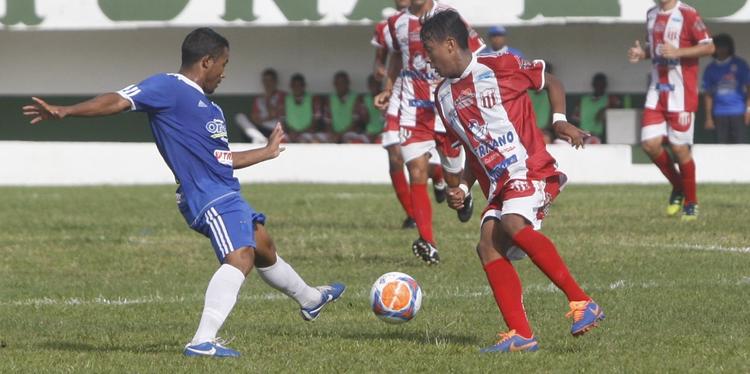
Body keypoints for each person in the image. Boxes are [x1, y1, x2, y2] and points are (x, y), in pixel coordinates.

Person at [21, 28, 345, 358]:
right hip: (207, 195)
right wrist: (66, 111)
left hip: (225, 190)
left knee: (262, 244)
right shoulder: (168, 87)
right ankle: (202, 340)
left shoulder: (211, 110)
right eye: (224, 63)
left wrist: (265, 152)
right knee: (241, 256)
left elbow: (222, 159)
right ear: (207, 61)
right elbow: (118, 100)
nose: (225, 72)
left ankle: (310, 300)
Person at [421, 9, 604, 354]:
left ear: (449, 45)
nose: (428, 61)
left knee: (512, 222)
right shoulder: (442, 97)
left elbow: (550, 81)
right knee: (487, 245)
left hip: (529, 168)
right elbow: (476, 150)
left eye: (430, 52)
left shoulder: (498, 66)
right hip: (499, 183)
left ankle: (583, 302)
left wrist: (561, 121)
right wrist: (461, 185)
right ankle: (521, 334)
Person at [375, 0, 483, 264]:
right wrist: (388, 88)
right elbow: (397, 56)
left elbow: (474, 50)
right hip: (413, 106)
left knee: (453, 177)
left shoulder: (448, 15)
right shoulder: (395, 23)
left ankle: (460, 192)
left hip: (445, 104)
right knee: (415, 170)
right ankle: (428, 241)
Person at [627, 0, 714, 220]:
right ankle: (679, 186)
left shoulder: (688, 14)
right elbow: (655, 49)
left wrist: (679, 51)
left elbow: (708, 46)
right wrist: (642, 53)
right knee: (649, 144)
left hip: (681, 93)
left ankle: (691, 202)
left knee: (680, 149)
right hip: (657, 90)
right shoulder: (651, 14)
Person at [371, 0, 417, 229]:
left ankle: (440, 179)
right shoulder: (386, 26)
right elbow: (380, 61)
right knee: (395, 155)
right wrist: (382, 73)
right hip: (398, 96)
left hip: (427, 98)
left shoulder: (437, 17)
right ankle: (413, 215)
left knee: (429, 161)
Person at [702, 33, 750, 144]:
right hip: (719, 114)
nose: (721, 49)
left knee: (740, 146)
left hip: (738, 112)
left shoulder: (740, 64)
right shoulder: (710, 69)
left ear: (730, 47)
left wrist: (748, 110)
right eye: (718, 46)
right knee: (720, 147)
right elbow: (708, 95)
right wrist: (708, 118)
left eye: (724, 46)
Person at [236, 68, 285, 143]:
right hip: (261, 128)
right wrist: (262, 120)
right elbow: (255, 118)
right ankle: (262, 139)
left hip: (275, 128)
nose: (267, 83)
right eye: (265, 80)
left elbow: (273, 114)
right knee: (239, 117)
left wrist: (268, 99)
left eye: (270, 80)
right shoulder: (259, 99)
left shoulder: (281, 96)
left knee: (277, 124)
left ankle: (259, 139)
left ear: (275, 81)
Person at [572, 73, 622, 143]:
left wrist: (606, 109)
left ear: (605, 85)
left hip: (600, 136)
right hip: (583, 135)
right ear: (593, 84)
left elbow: (619, 117)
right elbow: (575, 120)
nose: (599, 87)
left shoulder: (611, 99)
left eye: (601, 84)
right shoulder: (582, 100)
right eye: (597, 84)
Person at [323, 71, 369, 143]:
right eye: (338, 83)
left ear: (348, 83)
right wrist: (333, 134)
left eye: (343, 82)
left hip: (351, 133)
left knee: (352, 142)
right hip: (334, 133)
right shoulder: (330, 99)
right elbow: (328, 121)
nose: (341, 85)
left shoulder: (356, 98)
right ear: (334, 84)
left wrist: (340, 135)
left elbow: (356, 122)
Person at [283, 73, 327, 143]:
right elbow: (283, 119)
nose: (297, 88)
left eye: (299, 85)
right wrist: (291, 132)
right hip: (291, 133)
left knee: (314, 142)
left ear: (304, 86)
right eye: (295, 85)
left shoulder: (313, 99)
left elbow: (316, 120)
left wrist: (301, 132)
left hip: (308, 133)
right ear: (291, 86)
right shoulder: (286, 99)